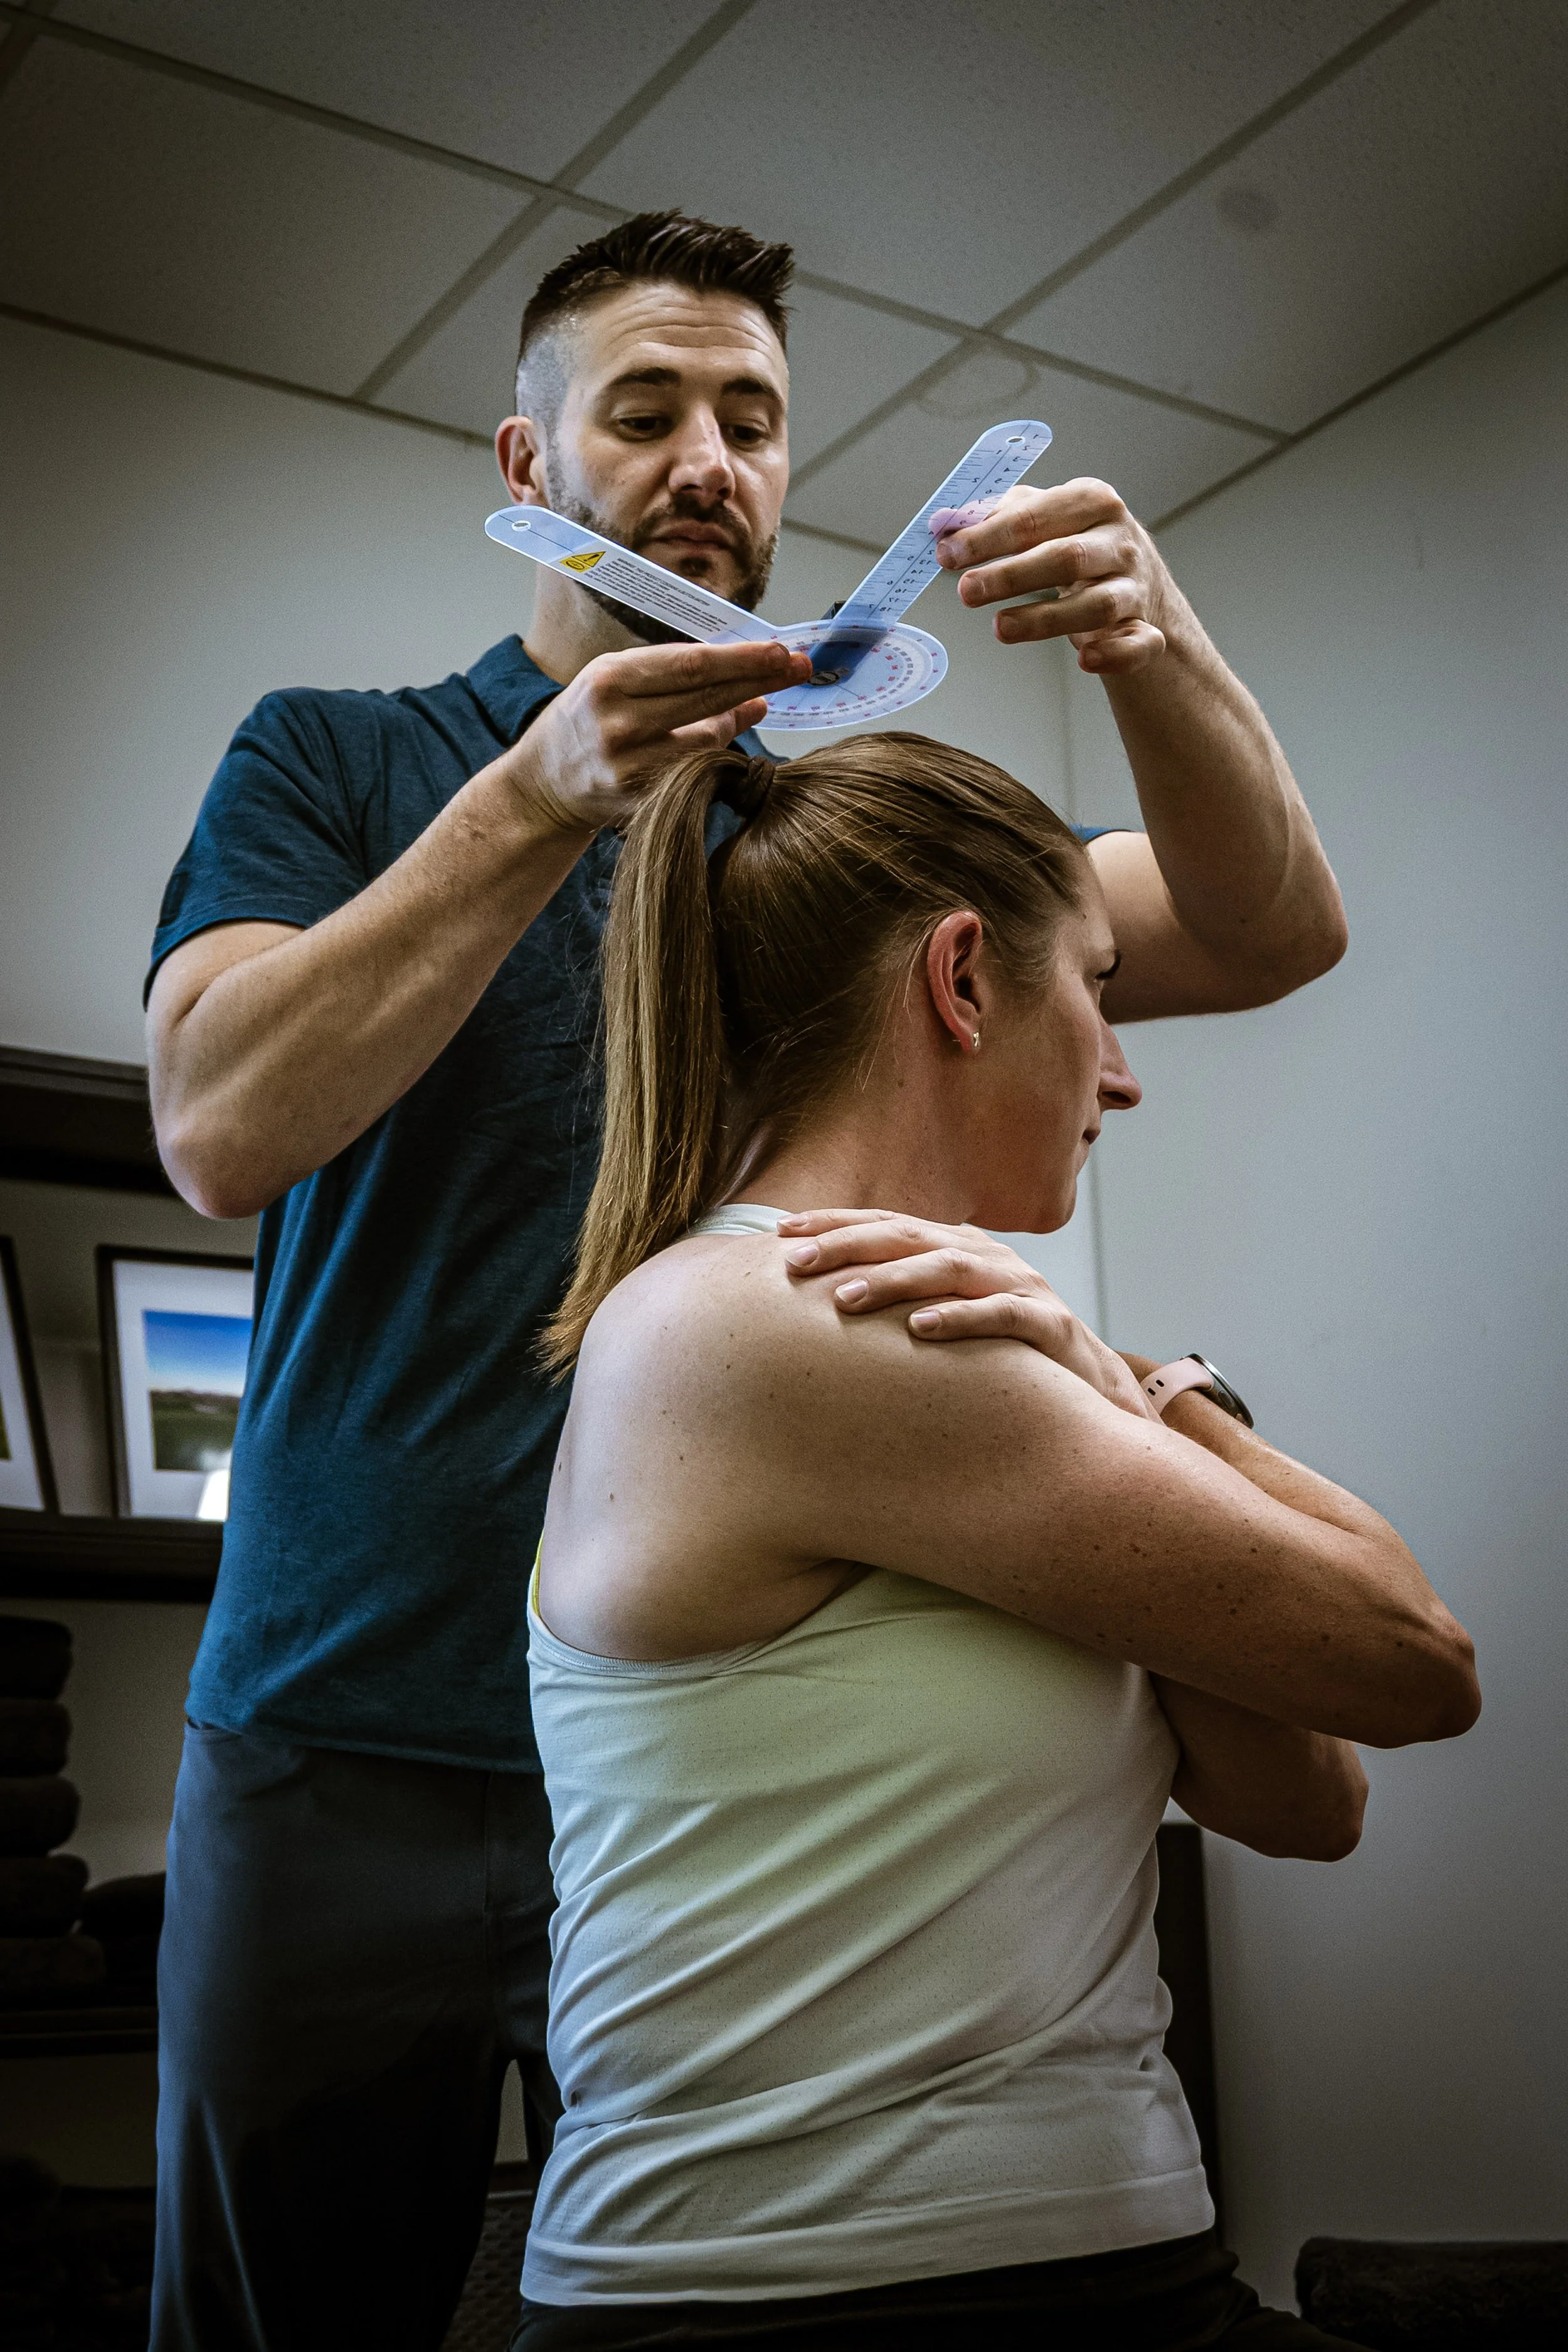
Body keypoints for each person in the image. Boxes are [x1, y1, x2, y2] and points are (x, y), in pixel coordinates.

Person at [143, 211, 1348, 2349]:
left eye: (755, 419)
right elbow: (223, 1126)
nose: (711, 455)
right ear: (526, 469)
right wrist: (533, 800)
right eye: (646, 408)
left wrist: (1155, 641)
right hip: (347, 1726)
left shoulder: (820, 842)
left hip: (708, 1747)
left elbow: (1262, 931)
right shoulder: (331, 759)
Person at [517, 730, 1478, 2349]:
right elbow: (1414, 1663)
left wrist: (1112, 1383)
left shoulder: (966, 1357)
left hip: (1095, 2263)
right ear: (963, 980)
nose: (1119, 1070)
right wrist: (1145, 1395)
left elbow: (1303, 1798)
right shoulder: (780, 1316)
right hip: (816, 2301)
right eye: (1097, 988)